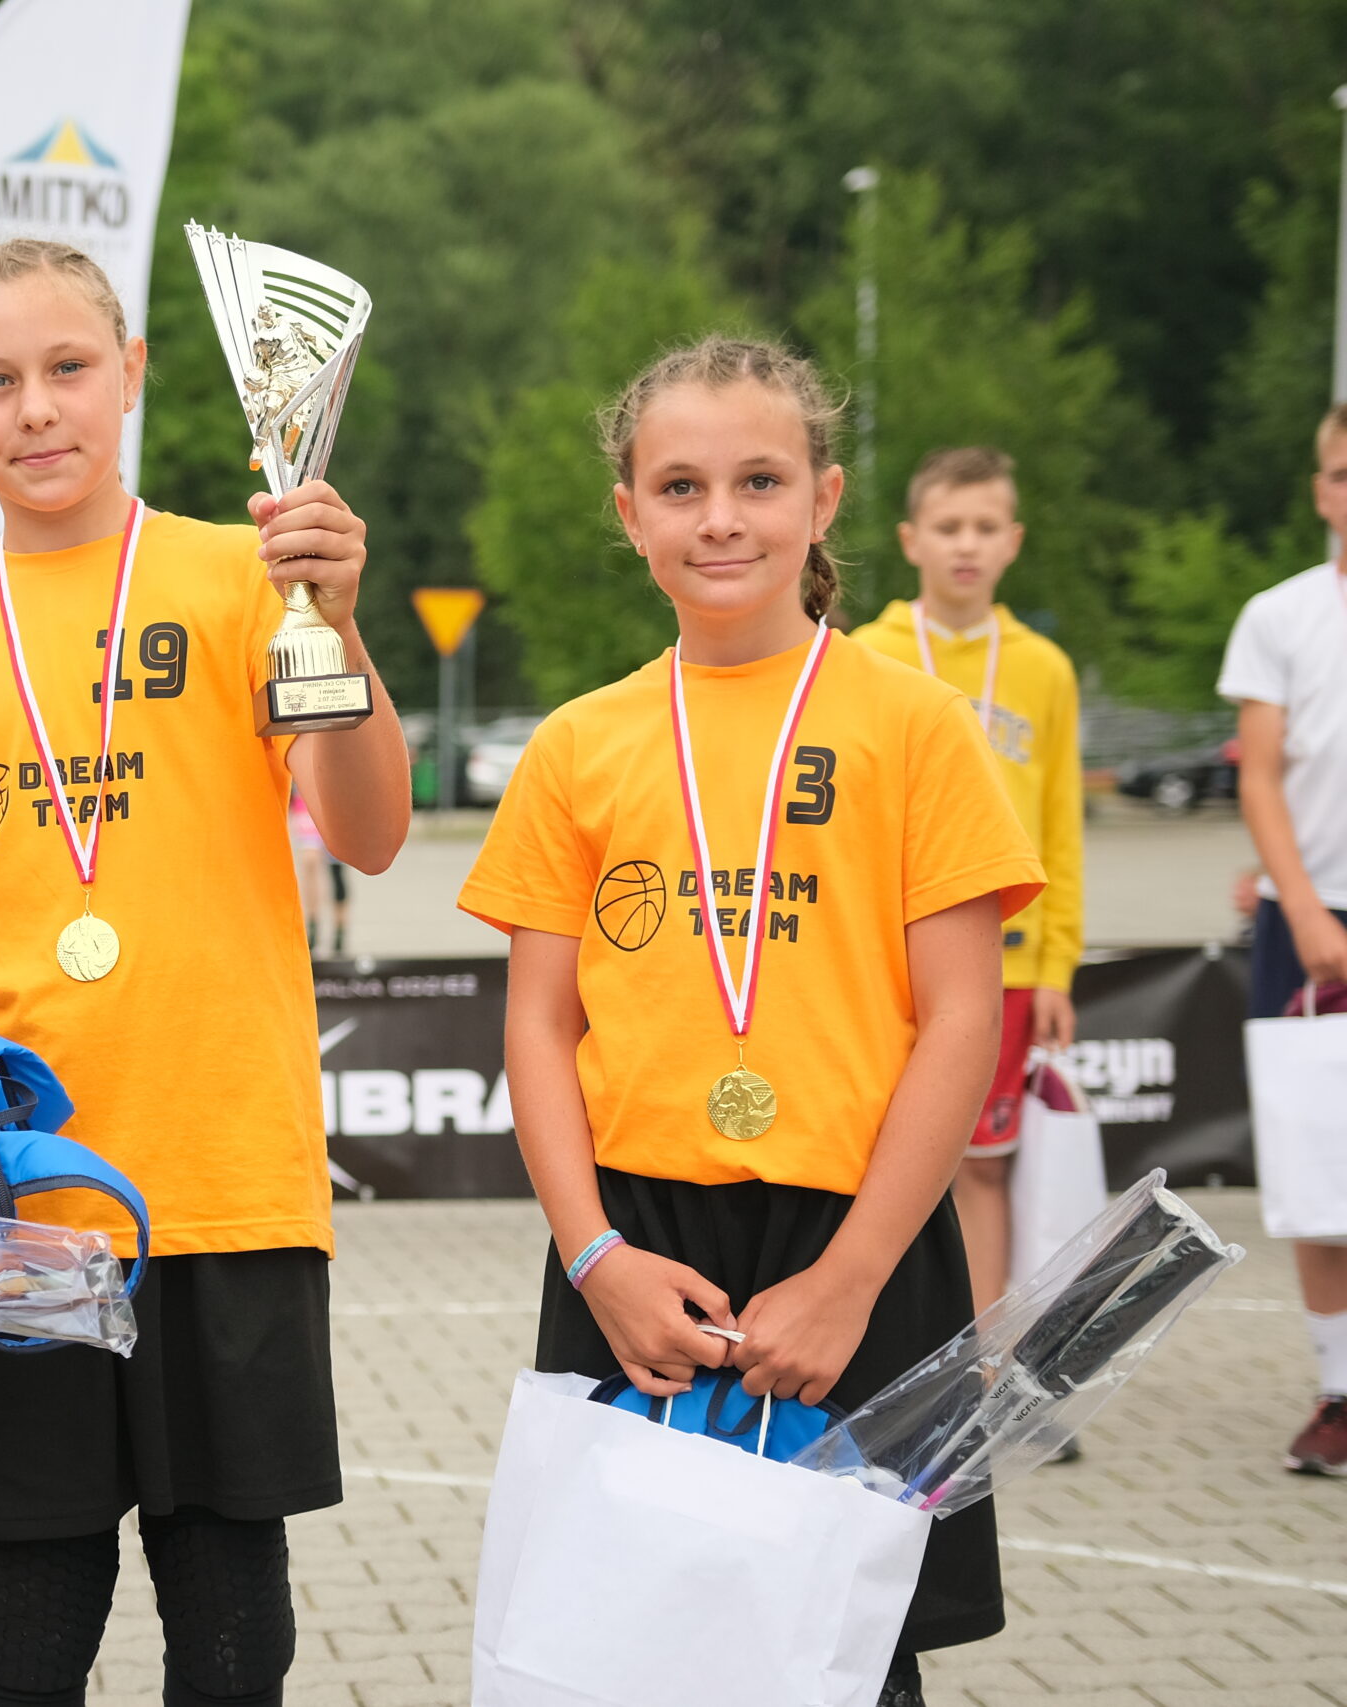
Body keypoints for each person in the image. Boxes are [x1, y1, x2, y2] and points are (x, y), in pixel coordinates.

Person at [0, 237, 411, 1707]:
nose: (36, 407)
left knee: (231, 1605)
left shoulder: (245, 575)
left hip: (225, 1168)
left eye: (68, 367)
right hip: (25, 1194)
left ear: (134, 374)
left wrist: (340, 619)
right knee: (36, 1600)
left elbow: (369, 832)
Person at [459, 337, 1043, 1707]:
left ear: (824, 499)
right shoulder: (578, 745)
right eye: (681, 486)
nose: (720, 517)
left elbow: (961, 1016)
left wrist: (850, 1278)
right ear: (630, 514)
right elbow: (538, 1025)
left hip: (861, 1236)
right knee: (627, 1648)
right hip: (635, 1246)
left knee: (847, 1657)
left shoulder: (916, 726)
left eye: (759, 481)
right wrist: (594, 1255)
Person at [853, 446, 1084, 1312]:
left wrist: (1058, 964)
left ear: (1013, 541)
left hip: (1006, 962)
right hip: (883, 962)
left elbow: (1061, 828)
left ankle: (978, 1359)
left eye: (985, 527)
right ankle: (885, 1341)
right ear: (910, 539)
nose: (966, 544)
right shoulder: (863, 653)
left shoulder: (1044, 668)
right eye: (948, 526)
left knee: (982, 1169)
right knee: (887, 1165)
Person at [1217, 401, 1347, 1476]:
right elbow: (1259, 775)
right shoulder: (1279, 615)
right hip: (1311, 919)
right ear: (1320, 489)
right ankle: (1339, 1391)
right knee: (1322, 1171)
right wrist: (1300, 907)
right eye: (1343, 474)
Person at [288, 789, 350, 957]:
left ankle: (340, 929)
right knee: (310, 863)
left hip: (335, 802)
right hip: (307, 800)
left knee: (336, 868)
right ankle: (312, 924)